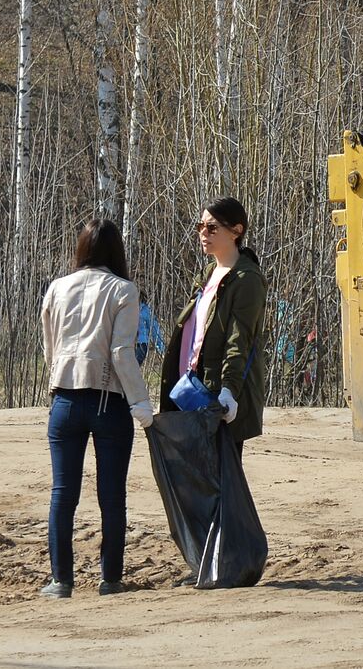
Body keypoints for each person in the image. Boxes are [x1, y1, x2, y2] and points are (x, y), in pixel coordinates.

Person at [39, 219, 154, 600]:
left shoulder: (57, 287)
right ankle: (110, 578)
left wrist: (57, 379)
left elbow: (49, 346)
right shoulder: (124, 290)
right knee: (111, 495)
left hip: (65, 397)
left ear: (81, 249)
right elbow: (122, 352)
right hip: (109, 400)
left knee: (63, 493)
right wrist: (141, 402)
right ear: (116, 252)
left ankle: (60, 581)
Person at [159, 197, 268, 461]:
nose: (203, 234)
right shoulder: (209, 272)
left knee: (220, 481)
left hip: (216, 395)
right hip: (191, 388)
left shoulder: (247, 279)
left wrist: (229, 390)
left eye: (212, 228)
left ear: (236, 231)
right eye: (200, 226)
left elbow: (238, 339)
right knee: (194, 478)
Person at [135, 290, 165, 367]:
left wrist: (161, 348)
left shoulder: (145, 311)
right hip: (126, 343)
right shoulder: (125, 309)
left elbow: (154, 329)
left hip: (141, 344)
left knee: (133, 367)